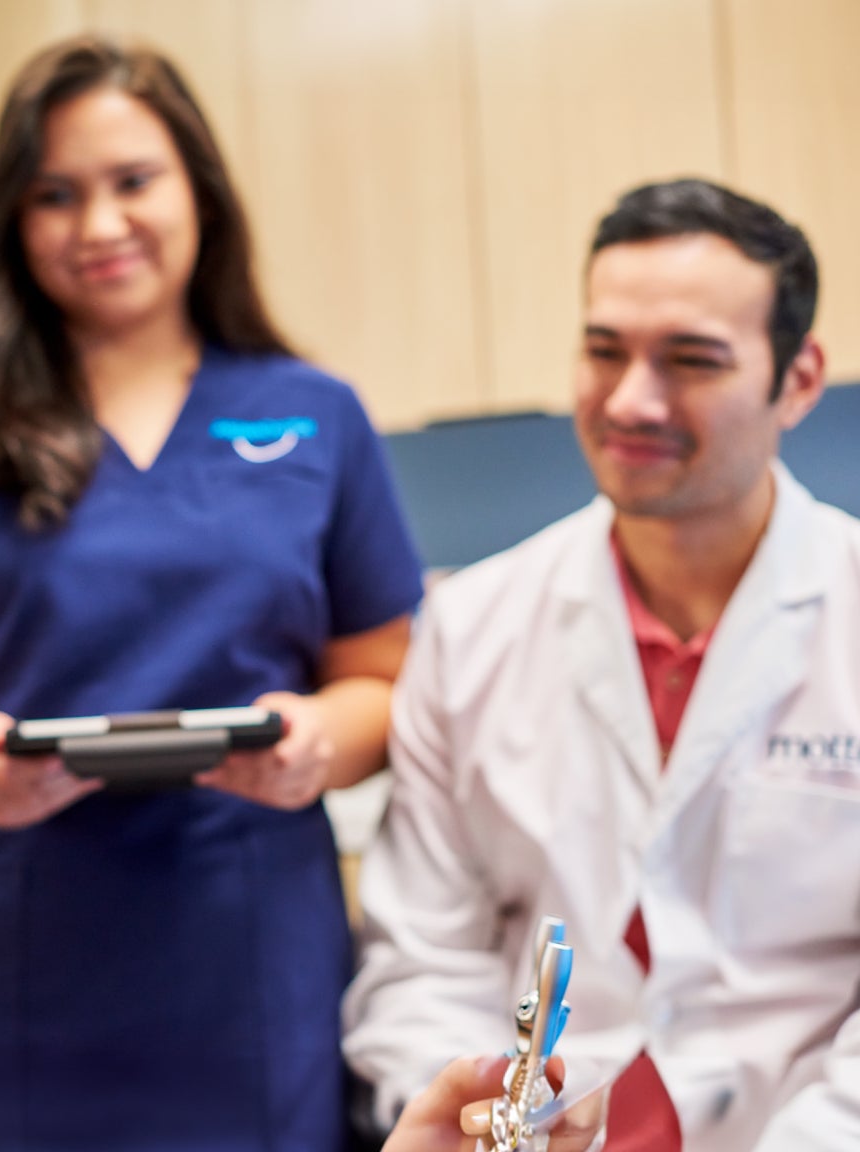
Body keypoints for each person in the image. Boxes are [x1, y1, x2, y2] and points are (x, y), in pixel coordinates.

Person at [0, 35, 424, 1152]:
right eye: (55, 195)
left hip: (247, 965)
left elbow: (387, 682)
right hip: (5, 956)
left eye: (133, 181)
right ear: (14, 219)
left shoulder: (314, 414)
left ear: (200, 191)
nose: (98, 227)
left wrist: (313, 742)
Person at [342, 176, 860, 1152]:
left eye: (692, 360)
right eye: (603, 350)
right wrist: (472, 1110)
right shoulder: (472, 626)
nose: (631, 399)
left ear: (797, 381)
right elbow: (424, 958)